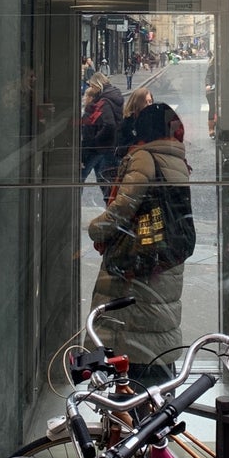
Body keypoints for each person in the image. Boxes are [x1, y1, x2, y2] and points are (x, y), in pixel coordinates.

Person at [88, 102, 191, 388]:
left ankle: (131, 418)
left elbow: (124, 207)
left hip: (138, 259)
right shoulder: (176, 159)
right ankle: (158, 411)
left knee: (131, 338)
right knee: (157, 329)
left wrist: (95, 228)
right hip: (165, 259)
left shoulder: (145, 157)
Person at [80, 71, 124, 201]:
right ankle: (114, 212)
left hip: (102, 148)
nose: (92, 89)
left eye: (93, 86)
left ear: (98, 85)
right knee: (107, 184)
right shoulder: (113, 96)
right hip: (111, 147)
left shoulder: (105, 101)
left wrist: (95, 141)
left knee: (82, 178)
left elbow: (109, 125)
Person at [114, 85, 154, 166]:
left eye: (150, 101)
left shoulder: (155, 119)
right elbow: (119, 148)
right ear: (137, 104)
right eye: (145, 102)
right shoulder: (127, 123)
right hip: (133, 162)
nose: (149, 105)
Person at [204, 54, 217, 137]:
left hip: (222, 90)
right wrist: (208, 85)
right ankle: (211, 129)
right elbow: (208, 77)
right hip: (212, 90)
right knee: (212, 108)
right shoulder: (212, 66)